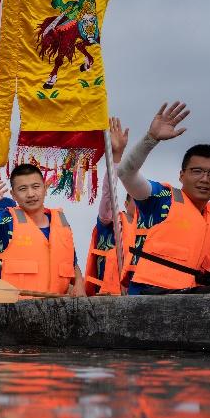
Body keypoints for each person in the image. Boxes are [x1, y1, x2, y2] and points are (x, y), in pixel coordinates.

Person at [116, 102, 210, 294]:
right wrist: (150, 139)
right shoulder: (163, 197)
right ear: (181, 175)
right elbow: (125, 173)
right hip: (149, 293)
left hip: (190, 297)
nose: (204, 179)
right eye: (197, 171)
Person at [0, 139, 87, 296]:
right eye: (23, 189)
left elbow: (72, 262)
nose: (30, 194)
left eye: (36, 187)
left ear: (45, 188)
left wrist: (79, 283)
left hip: (60, 307)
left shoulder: (62, 222)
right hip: (17, 308)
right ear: (13, 195)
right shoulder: (6, 221)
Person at [84, 117, 140, 296]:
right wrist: (116, 156)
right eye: (136, 199)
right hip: (107, 297)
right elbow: (109, 193)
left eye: (144, 200)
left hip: (142, 296)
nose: (141, 204)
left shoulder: (155, 228)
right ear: (125, 204)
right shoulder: (110, 221)